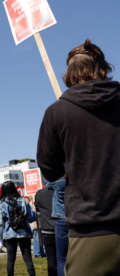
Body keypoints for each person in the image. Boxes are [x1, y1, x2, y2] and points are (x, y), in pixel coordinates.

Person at [37, 39, 120, 275]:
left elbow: (49, 169)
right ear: (102, 69)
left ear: (69, 74)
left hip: (90, 231)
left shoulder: (57, 113)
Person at [0, 181, 36, 276]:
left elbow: (1, 223)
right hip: (24, 233)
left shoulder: (1, 203)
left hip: (9, 234)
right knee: (28, 259)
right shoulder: (23, 200)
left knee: (10, 260)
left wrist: (1, 237)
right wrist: (36, 214)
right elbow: (30, 218)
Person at [35, 183, 57, 276]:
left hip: (47, 229)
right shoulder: (59, 192)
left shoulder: (39, 194)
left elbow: (37, 209)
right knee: (63, 258)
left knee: (51, 259)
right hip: (60, 228)